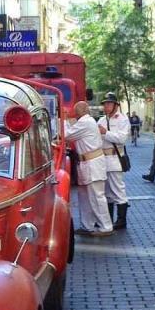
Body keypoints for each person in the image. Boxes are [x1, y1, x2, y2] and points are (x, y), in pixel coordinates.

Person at [64, 101, 113, 237]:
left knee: (97, 196)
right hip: (86, 163)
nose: (74, 112)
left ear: (81, 110)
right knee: (84, 197)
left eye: (76, 109)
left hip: (92, 163)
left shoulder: (85, 122)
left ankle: (106, 226)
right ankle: (87, 225)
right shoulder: (86, 122)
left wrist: (64, 119)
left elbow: (67, 134)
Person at [97, 93, 131, 229]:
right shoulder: (101, 120)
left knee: (118, 191)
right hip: (103, 160)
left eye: (109, 103)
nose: (106, 106)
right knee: (107, 193)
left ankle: (121, 220)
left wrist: (105, 133)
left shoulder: (122, 120)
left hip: (115, 159)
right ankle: (108, 219)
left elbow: (122, 139)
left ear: (116, 105)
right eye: (105, 104)